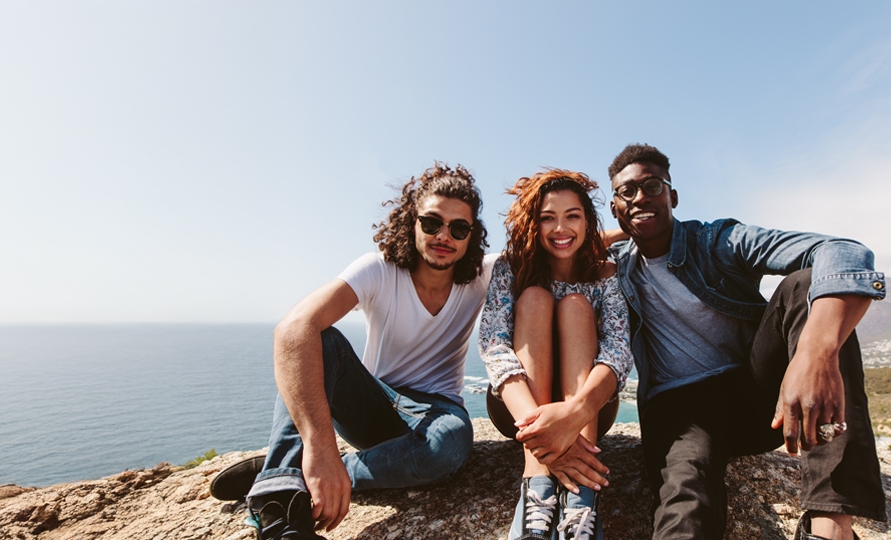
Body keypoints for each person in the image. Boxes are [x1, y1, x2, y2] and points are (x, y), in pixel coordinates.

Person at [604, 143, 887, 540]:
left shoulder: (717, 240)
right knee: (685, 498)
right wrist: (636, 217)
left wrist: (813, 355)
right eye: (626, 192)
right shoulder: (614, 265)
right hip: (679, 410)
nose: (640, 197)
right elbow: (558, 241)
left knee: (806, 287)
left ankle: (829, 527)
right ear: (614, 208)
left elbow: (842, 251)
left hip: (759, 400)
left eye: (653, 186)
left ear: (674, 195)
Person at [208, 163, 497, 540]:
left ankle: (287, 471)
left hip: (436, 414)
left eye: (459, 228)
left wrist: (329, 461)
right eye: (432, 223)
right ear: (412, 222)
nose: (444, 235)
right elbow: (293, 330)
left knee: (450, 444)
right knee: (319, 339)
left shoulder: (482, 275)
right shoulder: (380, 269)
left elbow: (560, 243)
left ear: (471, 236)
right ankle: (280, 508)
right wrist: (318, 446)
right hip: (372, 407)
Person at [478, 169, 633, 540]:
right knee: (534, 298)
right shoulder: (511, 267)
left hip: (589, 411)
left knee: (577, 306)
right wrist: (545, 434)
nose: (560, 228)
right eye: (548, 217)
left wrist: (574, 414)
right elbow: (494, 344)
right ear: (533, 222)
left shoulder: (606, 272)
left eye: (572, 216)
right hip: (517, 409)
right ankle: (537, 485)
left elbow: (617, 349)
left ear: (587, 221)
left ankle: (581, 498)